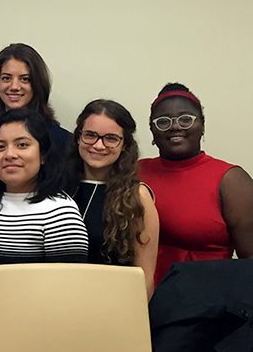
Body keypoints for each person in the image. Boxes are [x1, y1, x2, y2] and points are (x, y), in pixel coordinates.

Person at [0, 108, 88, 352]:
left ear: (42, 155)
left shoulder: (59, 211)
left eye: (22, 145)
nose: (10, 154)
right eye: (0, 147)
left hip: (41, 338)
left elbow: (68, 293)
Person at [138, 83, 253, 284]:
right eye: (163, 122)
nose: (175, 126)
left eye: (185, 119)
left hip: (205, 303)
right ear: (152, 131)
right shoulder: (136, 172)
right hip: (137, 298)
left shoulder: (231, 180)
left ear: (202, 125)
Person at [67, 99, 159, 296]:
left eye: (111, 138)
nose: (99, 146)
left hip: (111, 307)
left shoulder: (137, 196)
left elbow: (144, 279)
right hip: (57, 302)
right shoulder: (59, 188)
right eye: (90, 135)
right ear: (78, 138)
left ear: (124, 144)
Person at [0, 43, 70, 157]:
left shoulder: (62, 140)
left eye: (24, 79)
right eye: (6, 78)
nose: (14, 87)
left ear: (37, 84)